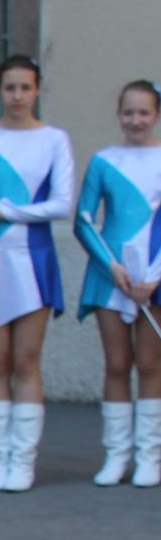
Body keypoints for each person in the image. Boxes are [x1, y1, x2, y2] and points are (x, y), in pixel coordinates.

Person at [0, 55, 75, 492]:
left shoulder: (55, 140)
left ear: (38, 90)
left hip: (34, 259)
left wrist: (2, 208)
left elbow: (62, 205)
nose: (18, 96)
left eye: (26, 87)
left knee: (26, 359)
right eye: (10, 88)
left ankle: (23, 460)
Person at [72, 79, 161, 486]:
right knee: (116, 363)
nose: (136, 120)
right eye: (129, 112)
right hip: (111, 276)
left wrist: (154, 276)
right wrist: (112, 268)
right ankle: (116, 455)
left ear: (156, 115)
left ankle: (149, 456)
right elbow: (83, 221)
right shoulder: (104, 160)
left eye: (144, 112)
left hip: (153, 276)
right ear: (118, 115)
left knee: (149, 364)